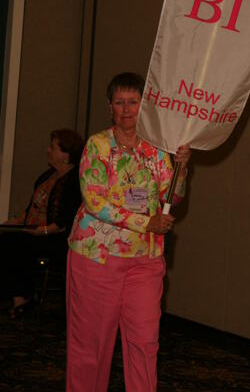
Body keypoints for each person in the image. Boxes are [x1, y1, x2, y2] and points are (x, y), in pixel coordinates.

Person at [66, 72, 191, 392]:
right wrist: (143, 222)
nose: (126, 109)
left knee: (145, 343)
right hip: (97, 257)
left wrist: (182, 167)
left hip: (144, 261)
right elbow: (93, 200)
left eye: (133, 102)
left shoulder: (156, 149)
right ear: (110, 107)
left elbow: (172, 197)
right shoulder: (98, 145)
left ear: (143, 105)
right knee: (91, 348)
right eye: (119, 103)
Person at [0, 129, 84, 318]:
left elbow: (64, 221)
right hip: (34, 230)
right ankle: (19, 294)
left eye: (53, 147)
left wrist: (43, 231)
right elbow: (33, 207)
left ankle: (21, 296)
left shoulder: (73, 181)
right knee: (6, 237)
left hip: (55, 237)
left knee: (14, 244)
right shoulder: (47, 176)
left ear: (66, 155)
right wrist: (17, 221)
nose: (48, 150)